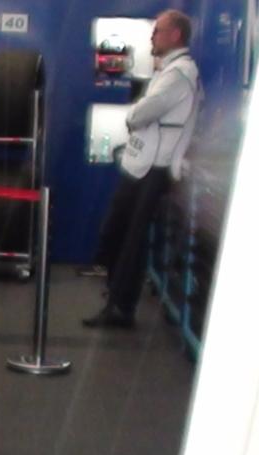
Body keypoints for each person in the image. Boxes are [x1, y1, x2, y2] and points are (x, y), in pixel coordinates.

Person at [84, 10, 199, 329]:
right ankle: (117, 297)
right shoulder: (170, 71)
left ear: (175, 35)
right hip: (140, 166)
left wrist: (134, 116)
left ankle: (121, 308)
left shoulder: (179, 75)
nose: (152, 36)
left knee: (131, 240)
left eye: (158, 30)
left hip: (154, 169)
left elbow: (139, 114)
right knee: (116, 232)